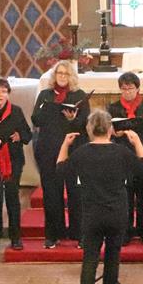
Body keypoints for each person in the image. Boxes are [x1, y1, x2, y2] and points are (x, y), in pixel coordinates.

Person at [57, 110, 143, 284]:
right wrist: (137, 143)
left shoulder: (81, 153)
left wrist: (65, 145)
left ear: (89, 130)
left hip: (91, 214)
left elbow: (60, 171)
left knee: (89, 259)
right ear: (110, 130)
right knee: (112, 259)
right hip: (116, 213)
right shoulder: (121, 153)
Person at [31, 60, 90, 249]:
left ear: (71, 76)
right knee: (51, 193)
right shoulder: (45, 95)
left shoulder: (79, 96)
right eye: (59, 73)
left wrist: (73, 119)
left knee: (76, 192)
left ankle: (78, 233)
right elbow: (36, 119)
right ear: (54, 76)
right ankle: (53, 234)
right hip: (49, 150)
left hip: (75, 150)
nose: (62, 77)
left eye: (66, 73)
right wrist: (48, 109)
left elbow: (85, 123)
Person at [106, 71, 143, 246]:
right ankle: (126, 231)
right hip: (122, 158)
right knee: (125, 197)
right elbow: (107, 133)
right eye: (124, 89)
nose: (127, 92)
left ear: (137, 88)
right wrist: (115, 133)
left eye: (130, 88)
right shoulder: (113, 108)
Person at [0, 77, 32, 251]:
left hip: (13, 159)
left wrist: (19, 136)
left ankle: (15, 237)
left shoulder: (16, 112)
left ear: (8, 94)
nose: (0, 94)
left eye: (3, 91)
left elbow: (28, 134)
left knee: (12, 198)